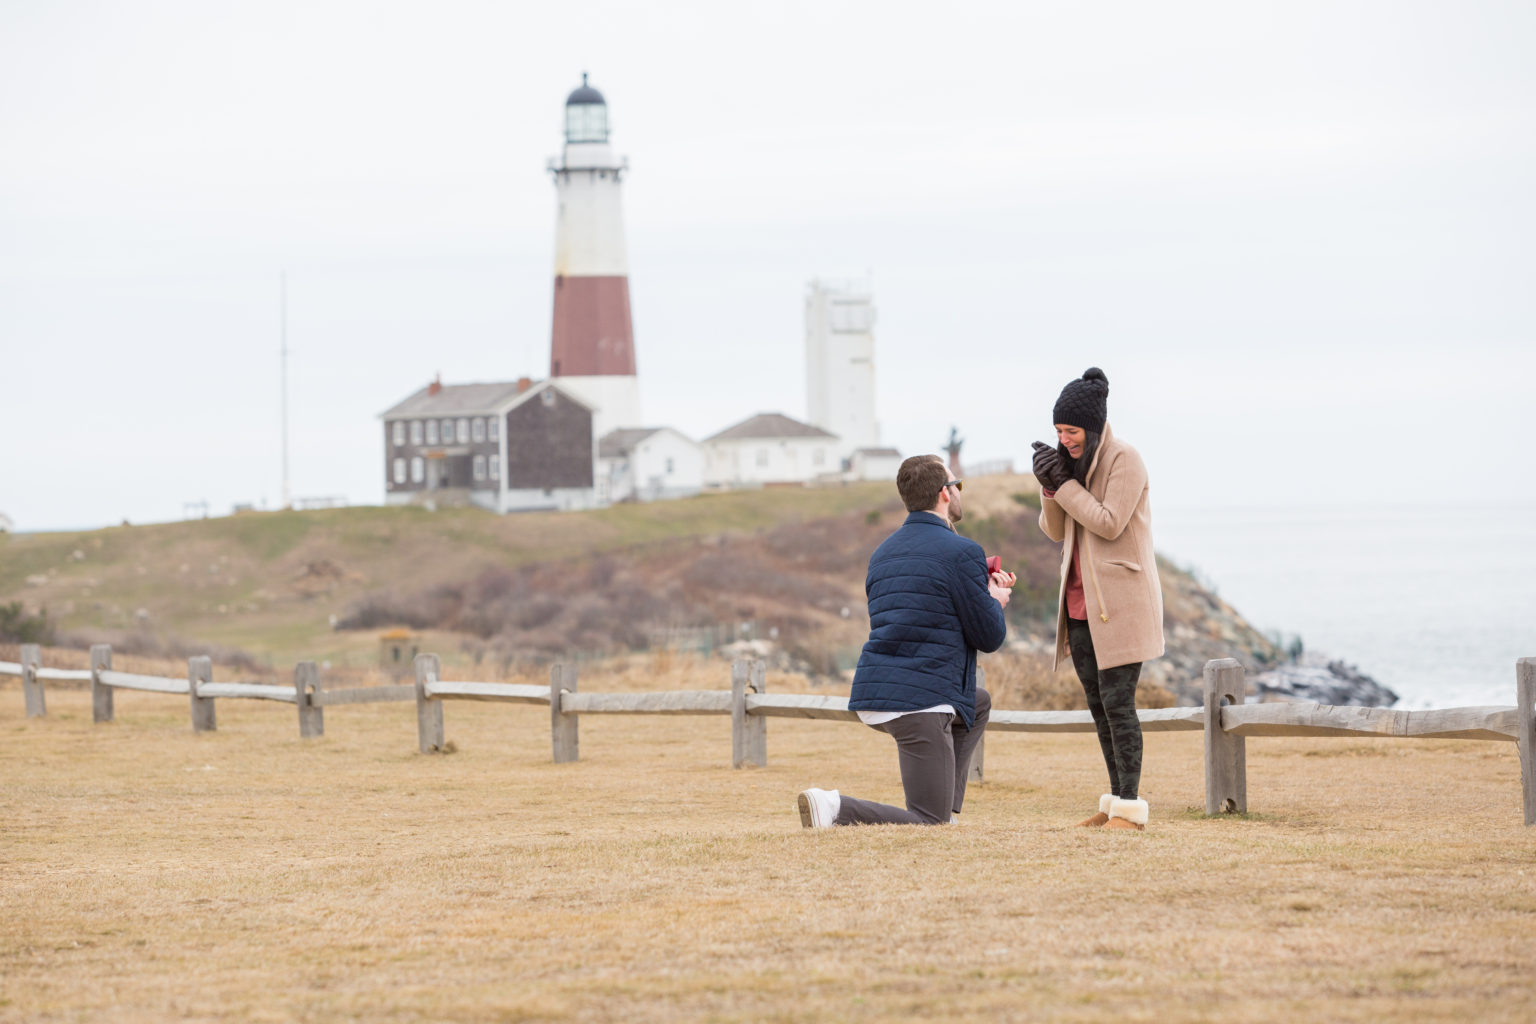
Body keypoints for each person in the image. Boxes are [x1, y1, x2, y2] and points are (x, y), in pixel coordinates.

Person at [798, 454, 1014, 828]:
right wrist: (994, 601)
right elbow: (989, 636)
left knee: (976, 703)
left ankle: (946, 807)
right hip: (921, 699)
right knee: (927, 822)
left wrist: (978, 593)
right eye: (957, 484)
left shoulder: (883, 553)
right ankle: (833, 806)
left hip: (880, 688)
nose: (959, 491)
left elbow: (918, 616)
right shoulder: (963, 552)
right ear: (945, 494)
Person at [1031, 367, 1164, 832]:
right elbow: (1054, 530)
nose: (1064, 439)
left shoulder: (1125, 459)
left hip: (1122, 605)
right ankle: (1115, 805)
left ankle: (1131, 809)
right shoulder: (1076, 465)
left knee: (1119, 703)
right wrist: (1051, 487)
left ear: (1092, 425)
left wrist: (1064, 485)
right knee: (1098, 706)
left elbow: (1108, 522)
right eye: (1059, 432)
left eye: (1071, 430)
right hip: (1079, 606)